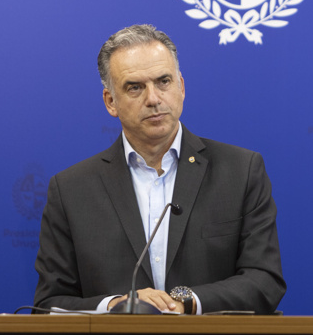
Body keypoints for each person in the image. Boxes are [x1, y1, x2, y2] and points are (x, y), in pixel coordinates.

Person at [34, 24, 285, 314]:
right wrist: (118, 305)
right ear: (110, 102)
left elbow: (264, 280)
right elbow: (48, 303)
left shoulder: (240, 172)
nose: (153, 99)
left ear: (181, 87)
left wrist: (185, 301)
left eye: (163, 81)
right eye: (135, 87)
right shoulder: (71, 190)